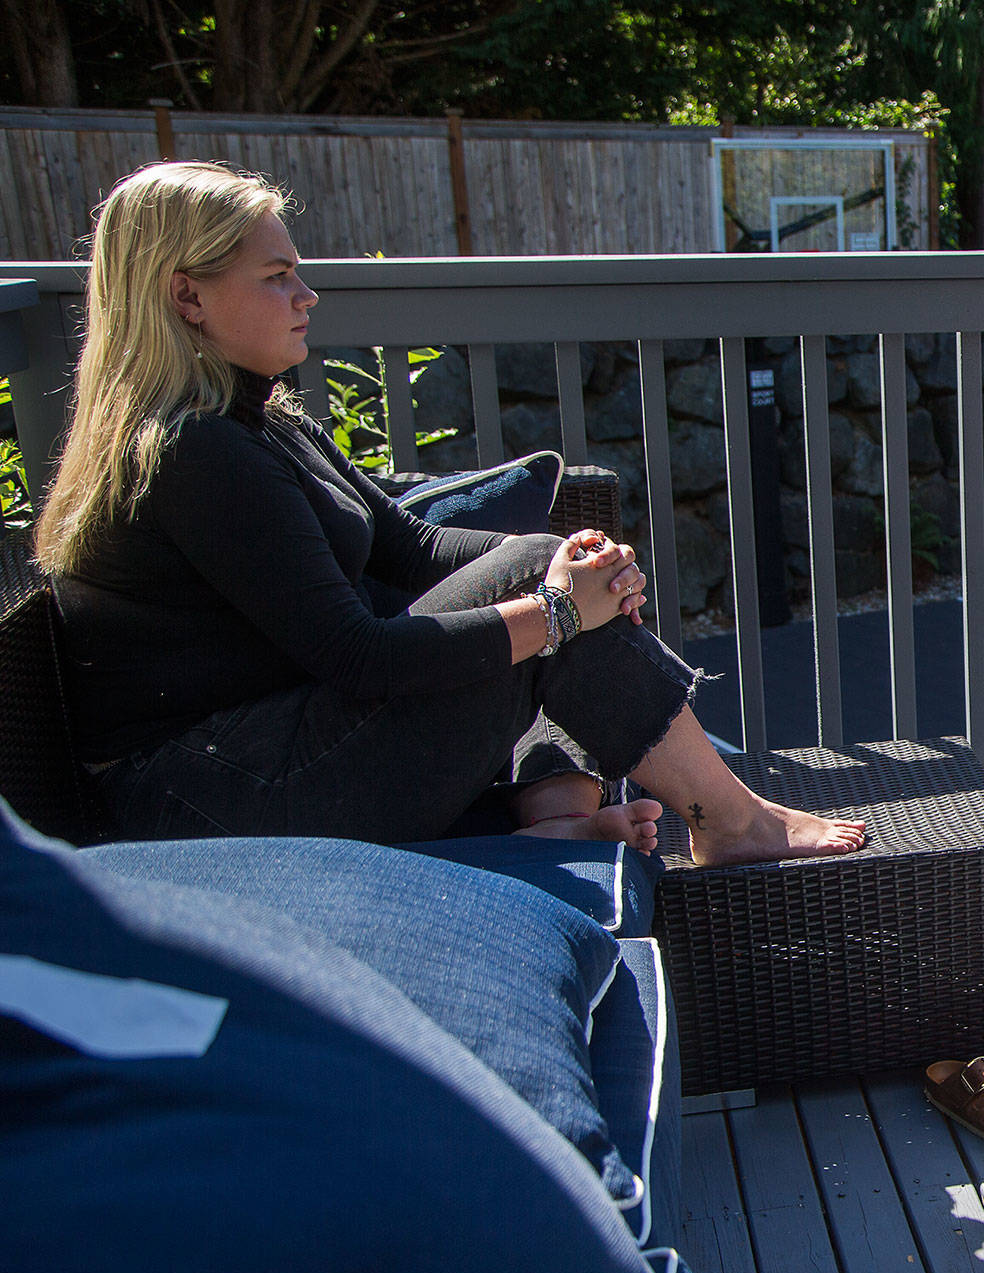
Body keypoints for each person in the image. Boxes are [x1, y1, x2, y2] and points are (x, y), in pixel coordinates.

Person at [36, 160, 864, 863]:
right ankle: (730, 820)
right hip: (207, 801)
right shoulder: (192, 454)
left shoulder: (263, 422)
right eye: (275, 275)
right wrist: (553, 606)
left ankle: (553, 815)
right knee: (540, 594)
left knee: (542, 569)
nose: (306, 294)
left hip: (264, 756)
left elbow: (411, 544)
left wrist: (566, 564)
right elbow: (359, 658)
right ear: (187, 298)